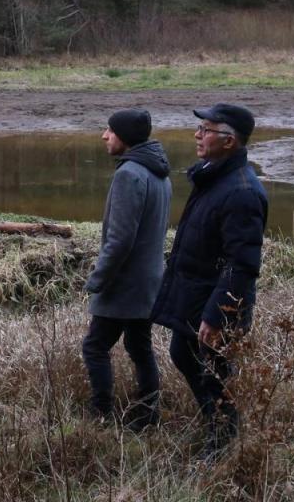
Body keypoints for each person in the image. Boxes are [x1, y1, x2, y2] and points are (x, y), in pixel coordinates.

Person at [151, 103, 268, 459]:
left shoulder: (242, 192)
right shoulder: (212, 177)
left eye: (206, 130)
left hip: (215, 304)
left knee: (214, 373)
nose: (197, 135)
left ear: (229, 141)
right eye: (199, 129)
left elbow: (243, 264)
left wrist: (218, 315)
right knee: (183, 354)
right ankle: (216, 426)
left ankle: (223, 444)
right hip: (196, 293)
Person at [82, 109, 172, 430]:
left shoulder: (129, 174)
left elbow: (119, 241)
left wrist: (97, 280)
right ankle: (148, 417)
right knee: (139, 347)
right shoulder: (159, 172)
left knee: (94, 347)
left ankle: (101, 415)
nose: (104, 136)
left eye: (109, 131)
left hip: (125, 285)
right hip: (150, 282)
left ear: (124, 137)